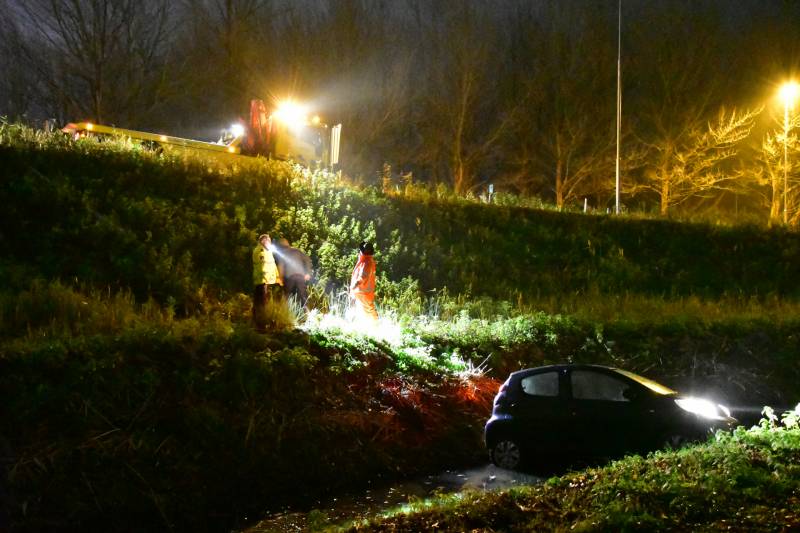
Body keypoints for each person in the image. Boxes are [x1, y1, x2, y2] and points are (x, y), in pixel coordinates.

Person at [252, 233, 281, 331]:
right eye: (268, 241)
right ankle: (261, 324)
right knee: (262, 303)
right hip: (263, 282)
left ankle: (262, 323)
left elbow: (272, 265)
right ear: (263, 241)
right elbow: (262, 268)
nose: (270, 243)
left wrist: (277, 278)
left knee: (264, 302)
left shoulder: (268, 251)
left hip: (267, 282)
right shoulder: (260, 251)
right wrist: (265, 282)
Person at [274, 238, 313, 308]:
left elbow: (281, 267)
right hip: (300, 276)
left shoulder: (282, 253)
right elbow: (307, 260)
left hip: (289, 277)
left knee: (286, 295)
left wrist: (280, 278)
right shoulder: (297, 251)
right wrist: (307, 273)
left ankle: (285, 310)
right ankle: (306, 310)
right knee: (302, 295)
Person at [349, 241, 378, 323]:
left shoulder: (366, 263)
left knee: (369, 312)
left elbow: (362, 277)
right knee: (363, 311)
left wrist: (354, 286)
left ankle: (376, 327)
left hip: (363, 292)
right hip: (362, 292)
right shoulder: (365, 261)